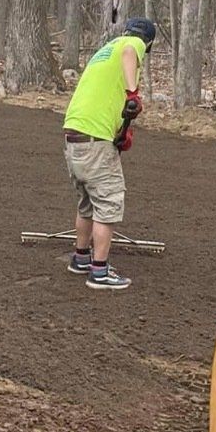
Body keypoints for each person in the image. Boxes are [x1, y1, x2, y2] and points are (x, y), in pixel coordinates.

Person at [62, 17, 157, 292]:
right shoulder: (132, 44)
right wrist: (133, 94)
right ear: (147, 42)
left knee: (87, 203)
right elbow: (131, 52)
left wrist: (122, 128)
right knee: (108, 204)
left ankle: (81, 258)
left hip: (74, 135)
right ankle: (100, 272)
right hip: (95, 140)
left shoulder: (104, 52)